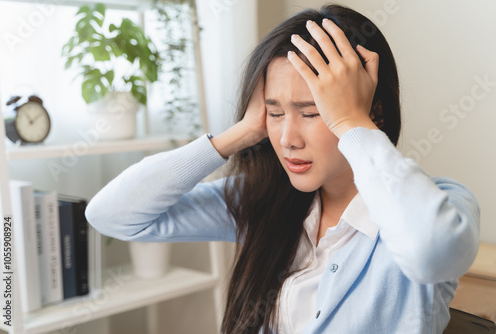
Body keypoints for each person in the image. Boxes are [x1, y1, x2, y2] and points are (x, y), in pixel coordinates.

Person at [85, 4, 480, 334]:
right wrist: (238, 134)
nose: (287, 138)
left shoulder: (441, 204)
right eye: (274, 112)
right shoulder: (262, 201)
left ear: (369, 111)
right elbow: (111, 215)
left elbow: (432, 253)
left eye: (311, 112)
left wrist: (352, 124)